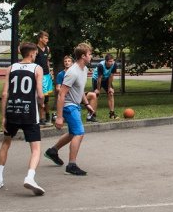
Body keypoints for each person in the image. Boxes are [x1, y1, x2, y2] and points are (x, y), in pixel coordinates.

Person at [0, 41, 46, 195]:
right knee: (35, 149)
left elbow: (4, 94)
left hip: (12, 110)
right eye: (35, 53)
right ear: (31, 53)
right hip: (29, 111)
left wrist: (3, 116)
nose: (36, 55)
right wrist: (41, 105)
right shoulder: (37, 68)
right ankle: (30, 177)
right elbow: (40, 94)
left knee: (5, 143)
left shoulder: (11, 68)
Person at [44, 43, 95, 175]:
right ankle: (71, 165)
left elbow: (80, 89)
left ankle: (52, 150)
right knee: (79, 133)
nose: (91, 56)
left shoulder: (83, 70)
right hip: (69, 106)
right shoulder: (72, 72)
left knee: (73, 132)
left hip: (76, 105)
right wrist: (60, 117)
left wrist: (86, 104)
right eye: (90, 54)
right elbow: (61, 94)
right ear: (83, 56)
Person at [88, 53, 118, 121]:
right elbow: (99, 78)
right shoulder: (101, 65)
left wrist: (109, 87)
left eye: (112, 61)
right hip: (97, 79)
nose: (111, 63)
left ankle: (112, 113)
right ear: (106, 61)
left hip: (106, 79)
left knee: (111, 93)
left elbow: (111, 76)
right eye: (110, 61)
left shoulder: (114, 65)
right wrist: (98, 89)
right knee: (96, 95)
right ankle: (93, 114)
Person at [34, 31, 53, 124]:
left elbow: (47, 60)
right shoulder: (35, 49)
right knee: (41, 97)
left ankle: (47, 115)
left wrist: (49, 71)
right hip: (39, 76)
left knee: (47, 98)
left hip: (46, 75)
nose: (47, 40)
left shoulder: (47, 48)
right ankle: (41, 118)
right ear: (40, 39)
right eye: (45, 38)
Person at [53, 55, 73, 122]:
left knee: (92, 95)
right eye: (65, 61)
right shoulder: (60, 74)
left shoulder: (74, 73)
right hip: (65, 95)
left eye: (69, 61)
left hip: (74, 95)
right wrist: (64, 91)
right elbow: (58, 88)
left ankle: (90, 116)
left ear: (72, 63)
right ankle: (56, 117)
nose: (67, 62)